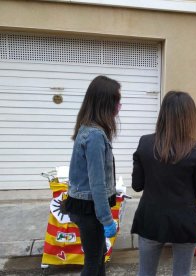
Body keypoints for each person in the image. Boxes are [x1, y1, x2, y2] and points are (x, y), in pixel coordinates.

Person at [131, 91, 196, 276]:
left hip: (150, 219)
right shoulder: (195, 148)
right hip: (184, 221)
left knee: (145, 273)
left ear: (163, 114)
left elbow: (137, 185)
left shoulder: (145, 143)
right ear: (189, 117)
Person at [65, 75, 121, 276]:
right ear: (106, 104)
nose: (119, 106)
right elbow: (97, 183)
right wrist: (107, 220)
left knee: (98, 257)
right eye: (117, 101)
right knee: (93, 261)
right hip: (89, 209)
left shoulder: (87, 128)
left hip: (85, 206)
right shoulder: (95, 135)